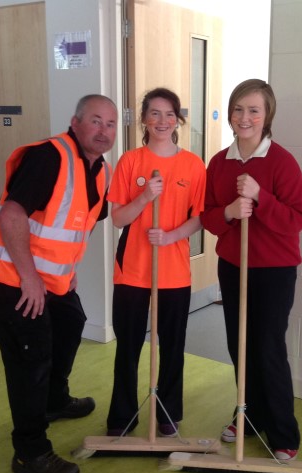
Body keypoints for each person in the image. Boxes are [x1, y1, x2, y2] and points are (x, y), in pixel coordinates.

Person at [0, 94, 118, 473]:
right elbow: (11, 214)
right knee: (30, 356)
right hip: (10, 273)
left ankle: (54, 400)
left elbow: (78, 223)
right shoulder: (49, 157)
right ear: (75, 122)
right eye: (95, 121)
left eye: (111, 124)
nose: (103, 131)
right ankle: (30, 451)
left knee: (71, 322)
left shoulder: (100, 170)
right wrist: (30, 278)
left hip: (49, 276)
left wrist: (67, 270)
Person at [200, 79, 302, 461]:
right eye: (238, 109)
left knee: (267, 348)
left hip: (274, 271)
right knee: (239, 345)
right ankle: (248, 414)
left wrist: (261, 196)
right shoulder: (218, 162)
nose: (244, 117)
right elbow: (208, 217)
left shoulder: (282, 162)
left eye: (253, 110)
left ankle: (282, 431)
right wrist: (230, 212)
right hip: (233, 266)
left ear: (267, 116)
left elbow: (296, 220)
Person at [105, 87, 206, 438]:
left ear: (178, 120)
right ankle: (123, 415)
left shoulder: (193, 165)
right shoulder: (130, 161)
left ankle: (168, 412)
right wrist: (146, 196)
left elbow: (200, 217)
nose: (162, 121)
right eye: (154, 113)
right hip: (132, 270)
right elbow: (117, 218)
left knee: (173, 347)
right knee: (128, 346)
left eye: (169, 114)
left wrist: (171, 236)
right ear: (144, 120)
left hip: (174, 271)